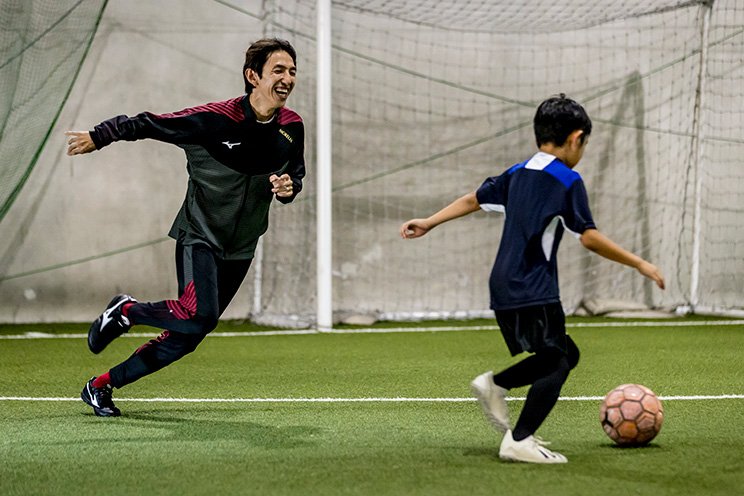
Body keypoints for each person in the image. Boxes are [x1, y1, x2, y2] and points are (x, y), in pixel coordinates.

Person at [399, 94, 665, 464]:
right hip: (533, 285)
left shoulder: (517, 172)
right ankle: (515, 431)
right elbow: (588, 237)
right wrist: (639, 263)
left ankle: (500, 393)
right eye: (584, 144)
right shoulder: (567, 179)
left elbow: (473, 199)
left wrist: (429, 221)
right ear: (576, 138)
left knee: (563, 353)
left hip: (504, 284)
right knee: (557, 361)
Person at [66, 38, 305, 417]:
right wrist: (101, 135)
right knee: (199, 316)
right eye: (278, 70)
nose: (288, 78)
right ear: (253, 76)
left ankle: (100, 386)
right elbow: (151, 123)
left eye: (292, 71)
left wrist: (289, 188)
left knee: (189, 336)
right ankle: (127, 310)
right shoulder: (214, 119)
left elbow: (294, 176)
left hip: (242, 245)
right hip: (200, 235)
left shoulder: (292, 127)